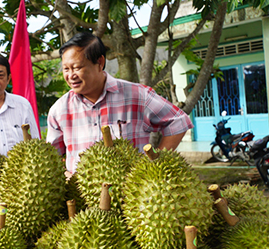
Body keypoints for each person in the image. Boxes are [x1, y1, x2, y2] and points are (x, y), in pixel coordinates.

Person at [47, 32, 193, 174]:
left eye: (77, 68)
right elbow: (52, 157)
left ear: (100, 63)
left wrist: (156, 164)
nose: (71, 75)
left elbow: (178, 121)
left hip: (131, 194)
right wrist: (67, 176)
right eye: (66, 69)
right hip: (81, 195)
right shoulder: (59, 110)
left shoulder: (137, 96)